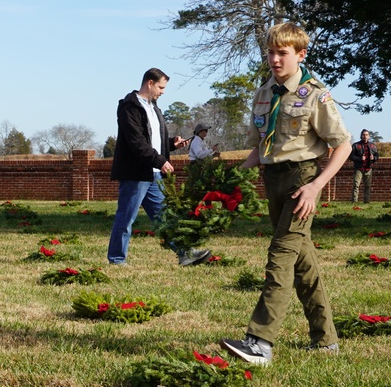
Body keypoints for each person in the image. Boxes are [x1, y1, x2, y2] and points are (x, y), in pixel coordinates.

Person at [221, 22, 352, 366]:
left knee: (280, 257)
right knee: (302, 261)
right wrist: (230, 177)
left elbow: (342, 145)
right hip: (273, 179)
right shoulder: (264, 92)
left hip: (302, 180)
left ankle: (259, 342)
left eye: (283, 53)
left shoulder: (315, 94)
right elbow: (260, 149)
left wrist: (315, 186)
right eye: (271, 52)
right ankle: (325, 340)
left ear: (300, 54)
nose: (275, 59)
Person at [107, 68, 210, 266]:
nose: (162, 91)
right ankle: (117, 259)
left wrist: (172, 144)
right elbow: (136, 142)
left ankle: (185, 253)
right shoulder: (129, 107)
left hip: (153, 174)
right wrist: (160, 161)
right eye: (161, 87)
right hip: (135, 173)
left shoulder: (154, 108)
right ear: (150, 83)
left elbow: (152, 140)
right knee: (126, 217)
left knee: (165, 217)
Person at [349, 129, 379, 203]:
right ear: (361, 136)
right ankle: (354, 201)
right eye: (363, 135)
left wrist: (374, 158)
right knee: (356, 185)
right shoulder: (356, 145)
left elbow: (377, 155)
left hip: (369, 168)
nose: (365, 136)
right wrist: (360, 159)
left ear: (369, 136)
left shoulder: (372, 145)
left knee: (367, 186)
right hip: (359, 168)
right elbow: (351, 156)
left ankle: (366, 201)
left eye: (366, 135)